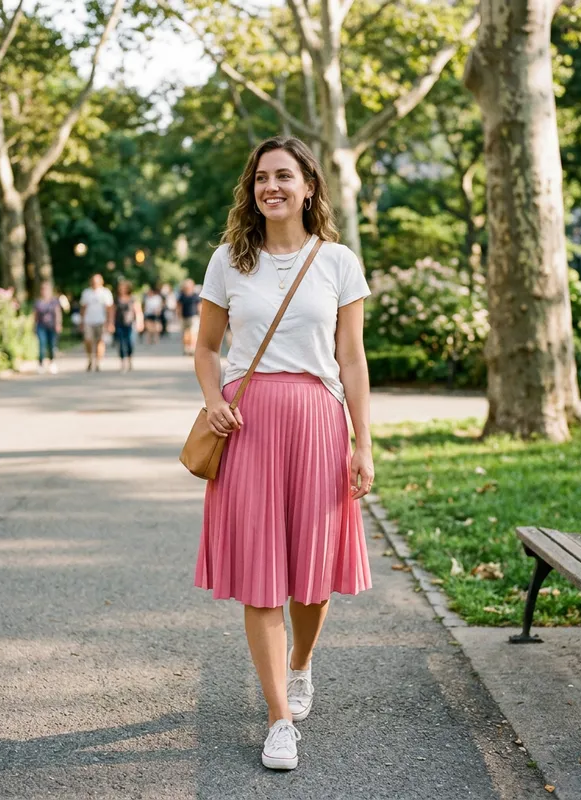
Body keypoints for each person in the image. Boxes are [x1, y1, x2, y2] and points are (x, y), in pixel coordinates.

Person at [193, 136, 374, 771]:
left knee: (313, 575)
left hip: (319, 423)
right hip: (248, 426)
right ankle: (278, 720)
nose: (271, 186)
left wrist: (363, 441)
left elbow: (352, 358)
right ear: (252, 190)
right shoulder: (227, 261)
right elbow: (207, 348)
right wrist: (211, 399)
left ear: (308, 187)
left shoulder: (339, 262)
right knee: (262, 573)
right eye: (261, 177)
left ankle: (300, 664)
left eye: (284, 176)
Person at [80, 274, 114, 372]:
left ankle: (98, 361)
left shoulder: (105, 292)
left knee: (100, 341)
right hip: (88, 321)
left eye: (97, 281)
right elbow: (83, 308)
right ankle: (90, 358)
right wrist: (81, 321)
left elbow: (109, 309)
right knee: (88, 340)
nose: (95, 283)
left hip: (101, 321)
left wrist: (110, 322)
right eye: (93, 281)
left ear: (101, 282)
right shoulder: (86, 293)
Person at [113, 280, 143, 371]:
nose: (122, 289)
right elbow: (112, 312)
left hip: (130, 324)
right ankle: (123, 361)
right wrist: (110, 323)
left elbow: (138, 311)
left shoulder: (133, 298)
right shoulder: (116, 299)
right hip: (119, 323)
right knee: (121, 343)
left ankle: (129, 359)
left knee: (130, 342)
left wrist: (140, 322)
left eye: (124, 288)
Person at [33, 282, 62, 374]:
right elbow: (35, 315)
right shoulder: (38, 302)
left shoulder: (54, 301)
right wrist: (33, 326)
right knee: (42, 344)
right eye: (43, 289)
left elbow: (57, 313)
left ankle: (52, 362)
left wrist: (58, 324)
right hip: (41, 326)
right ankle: (41, 363)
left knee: (52, 345)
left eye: (46, 289)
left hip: (52, 326)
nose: (45, 291)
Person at [178, 278, 201, 356]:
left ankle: (192, 348)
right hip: (184, 317)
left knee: (193, 333)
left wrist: (200, 315)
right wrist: (179, 315)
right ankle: (186, 348)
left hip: (194, 317)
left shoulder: (195, 296)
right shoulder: (182, 296)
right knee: (185, 334)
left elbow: (199, 306)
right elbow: (179, 306)